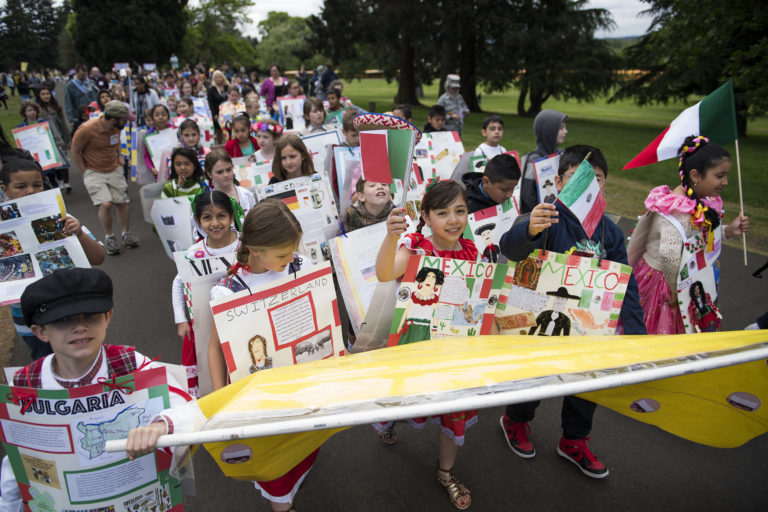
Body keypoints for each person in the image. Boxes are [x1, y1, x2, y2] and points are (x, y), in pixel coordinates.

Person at [147, 199, 310, 511]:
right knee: (272, 456)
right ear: (256, 250)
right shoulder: (229, 289)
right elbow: (216, 348)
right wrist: (221, 397)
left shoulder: (295, 265)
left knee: (299, 444)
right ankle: (282, 502)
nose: (291, 258)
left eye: (292, 251)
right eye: (283, 254)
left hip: (298, 384)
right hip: (257, 393)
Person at [498, 145, 647, 479]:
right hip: (539, 320)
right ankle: (516, 420)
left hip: (589, 326)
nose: (589, 186)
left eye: (596, 179)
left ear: (605, 185)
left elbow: (626, 282)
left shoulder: (609, 231)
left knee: (586, 383)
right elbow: (510, 249)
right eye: (577, 177)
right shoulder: (545, 216)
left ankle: (574, 440)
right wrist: (528, 230)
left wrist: (637, 334)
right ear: (560, 182)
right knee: (533, 377)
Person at [0, 268, 197, 510]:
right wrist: (9, 505)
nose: (80, 327)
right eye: (62, 320)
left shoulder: (131, 363)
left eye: (91, 316)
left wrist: (162, 424)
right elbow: (18, 456)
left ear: (108, 317)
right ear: (40, 332)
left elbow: (189, 407)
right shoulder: (24, 384)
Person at [374, 179, 476, 510]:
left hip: (454, 347)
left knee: (454, 408)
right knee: (403, 397)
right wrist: (391, 238)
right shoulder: (416, 245)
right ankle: (388, 421)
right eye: (442, 212)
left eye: (460, 211)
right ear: (427, 217)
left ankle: (446, 472)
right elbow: (385, 272)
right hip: (413, 341)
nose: (453, 220)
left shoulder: (470, 253)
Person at [627, 135, 748, 335]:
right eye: (719, 176)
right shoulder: (677, 211)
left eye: (727, 175)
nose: (725, 182)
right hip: (667, 283)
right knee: (665, 332)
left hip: (690, 280)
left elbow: (699, 235)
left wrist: (728, 231)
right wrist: (677, 292)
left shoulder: (701, 202)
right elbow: (669, 255)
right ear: (695, 175)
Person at [0, 158, 105, 361]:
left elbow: (98, 257)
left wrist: (80, 235)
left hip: (73, 307)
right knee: (46, 364)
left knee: (85, 359)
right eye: (21, 186)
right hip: (29, 317)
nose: (30, 191)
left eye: (37, 184)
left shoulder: (62, 217)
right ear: (4, 188)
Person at [170, 190, 238, 395]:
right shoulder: (195, 253)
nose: (215, 223)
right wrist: (181, 320)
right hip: (207, 324)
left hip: (241, 318)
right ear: (198, 221)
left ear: (231, 217)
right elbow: (178, 283)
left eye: (221, 216)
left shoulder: (244, 245)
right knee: (213, 366)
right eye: (207, 217)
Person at [70, 100, 139, 255]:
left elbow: (117, 141)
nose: (126, 122)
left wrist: (119, 155)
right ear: (114, 118)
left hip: (114, 168)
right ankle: (109, 237)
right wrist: (84, 171)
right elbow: (75, 150)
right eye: (124, 119)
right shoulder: (86, 129)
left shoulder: (116, 128)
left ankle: (126, 234)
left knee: (122, 202)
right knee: (106, 204)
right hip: (94, 171)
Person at [519, 109, 568, 214]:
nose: (565, 131)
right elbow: (527, 195)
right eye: (561, 128)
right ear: (549, 130)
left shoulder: (559, 155)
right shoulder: (534, 159)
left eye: (565, 128)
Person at [204, 149, 256, 218]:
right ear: (210, 174)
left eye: (228, 170)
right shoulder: (207, 202)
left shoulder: (247, 195)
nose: (226, 175)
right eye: (220, 172)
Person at [142, 104, 173, 179]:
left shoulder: (174, 130)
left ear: (168, 116)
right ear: (152, 117)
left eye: (164, 114)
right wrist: (152, 168)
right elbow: (146, 155)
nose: (160, 117)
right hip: (158, 170)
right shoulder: (149, 135)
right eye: (157, 115)